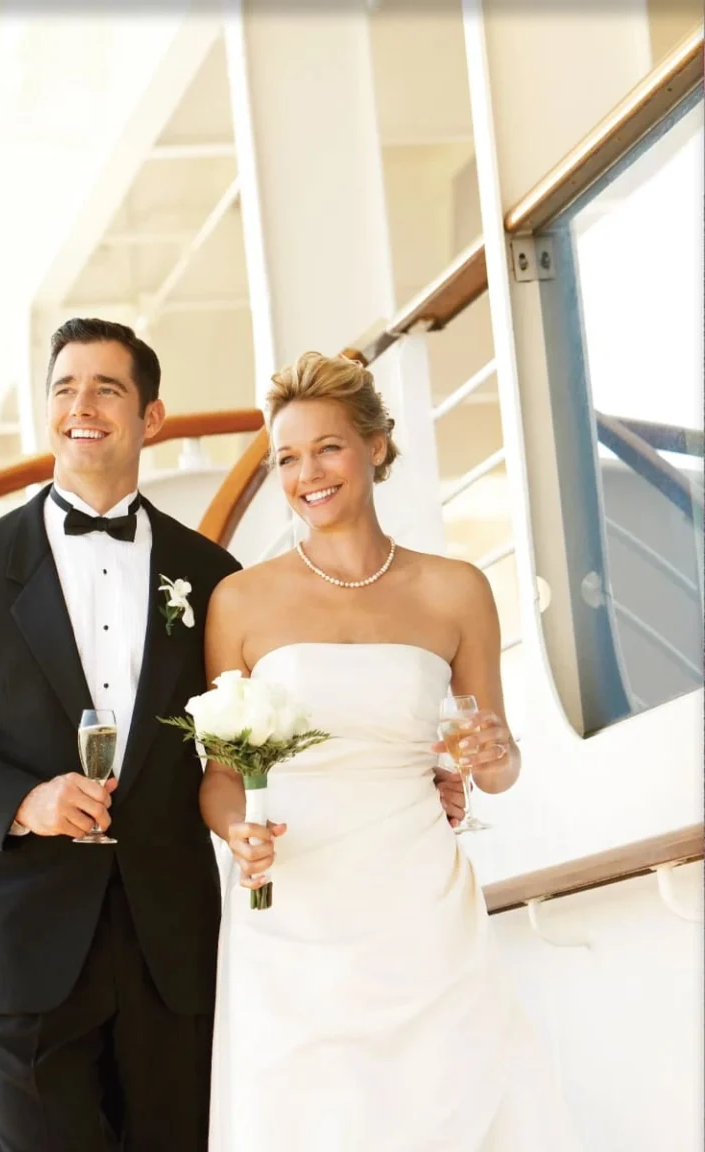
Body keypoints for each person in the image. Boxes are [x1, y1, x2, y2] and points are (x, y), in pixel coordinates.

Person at [200, 352, 581, 1151]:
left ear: (375, 446)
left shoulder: (456, 589)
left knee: (446, 1101)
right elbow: (222, 779)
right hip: (293, 903)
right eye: (287, 458)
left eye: (328, 447)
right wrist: (238, 833)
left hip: (418, 901)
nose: (308, 474)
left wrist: (496, 757)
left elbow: (497, 768)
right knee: (310, 1114)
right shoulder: (240, 600)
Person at [0, 318, 241, 1151]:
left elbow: (239, 743)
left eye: (108, 388)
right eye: (65, 387)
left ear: (154, 418)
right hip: (26, 944)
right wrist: (25, 801)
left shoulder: (214, 576)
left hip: (169, 945)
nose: (83, 405)